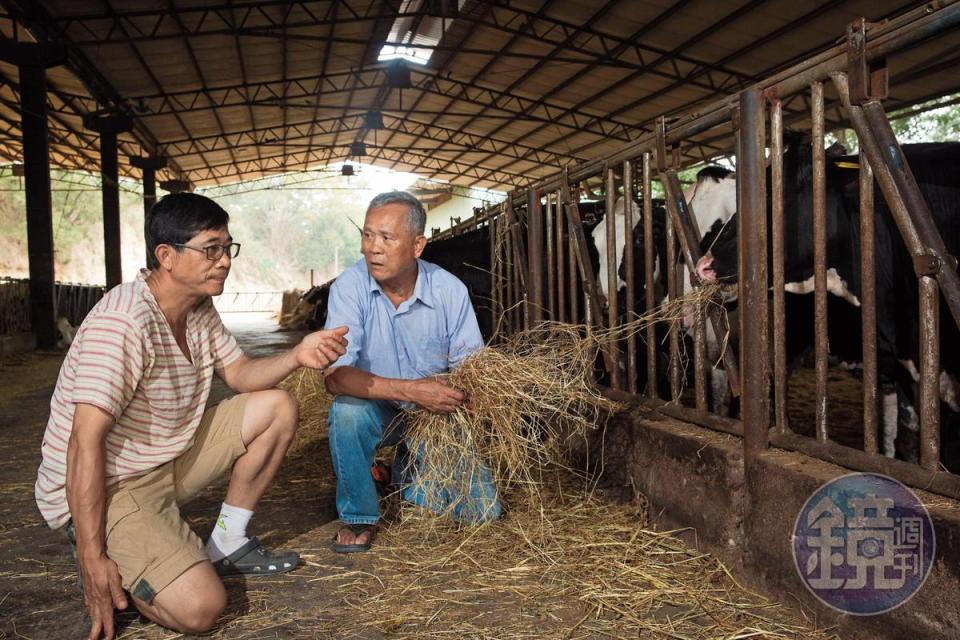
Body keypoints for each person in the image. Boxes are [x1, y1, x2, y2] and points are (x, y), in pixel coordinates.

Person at [35, 193, 349, 639]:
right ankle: (114, 549)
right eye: (210, 249)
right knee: (201, 608)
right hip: (111, 485)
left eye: (227, 248)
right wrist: (92, 556)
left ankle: (227, 542)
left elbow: (241, 374)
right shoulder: (123, 322)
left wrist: (298, 353)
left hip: (167, 456)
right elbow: (82, 442)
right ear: (166, 256)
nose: (223, 261)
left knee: (277, 405)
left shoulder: (198, 307)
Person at [323, 191, 500, 554]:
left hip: (435, 416)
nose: (372, 248)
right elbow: (336, 377)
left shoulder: (449, 290)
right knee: (346, 413)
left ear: (418, 245)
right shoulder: (349, 288)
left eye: (387, 238)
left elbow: (473, 372)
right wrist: (412, 390)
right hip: (379, 408)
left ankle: (405, 469)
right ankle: (358, 514)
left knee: (482, 512)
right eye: (368, 235)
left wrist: (447, 393)